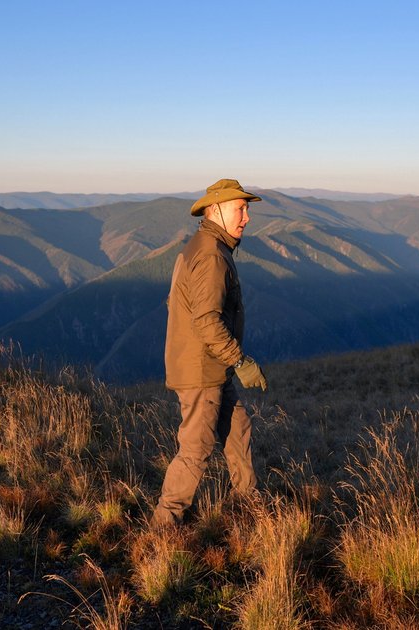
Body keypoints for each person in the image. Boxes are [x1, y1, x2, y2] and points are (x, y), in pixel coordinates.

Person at [150, 178, 268, 528]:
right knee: (195, 450)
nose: (246, 217)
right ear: (215, 210)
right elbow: (207, 322)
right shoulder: (211, 255)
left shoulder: (202, 246)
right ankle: (162, 526)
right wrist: (241, 361)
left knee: (238, 427)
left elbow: (177, 302)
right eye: (240, 209)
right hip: (203, 370)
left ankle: (247, 503)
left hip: (210, 366)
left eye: (246, 208)